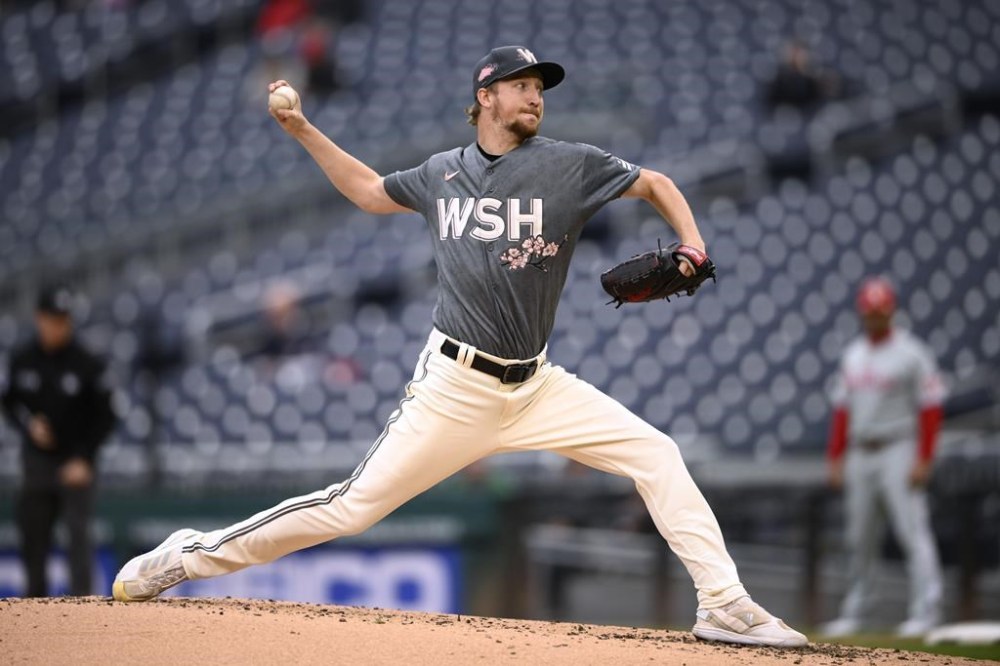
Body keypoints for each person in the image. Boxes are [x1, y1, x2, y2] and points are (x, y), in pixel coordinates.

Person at [112, 45, 807, 648]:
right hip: (455, 386)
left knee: (657, 454)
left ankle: (724, 606)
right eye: (524, 85)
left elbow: (655, 182)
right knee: (350, 507)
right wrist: (301, 128)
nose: (536, 96)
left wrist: (692, 242)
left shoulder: (569, 165)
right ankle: (189, 557)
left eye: (540, 88)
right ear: (486, 97)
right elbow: (367, 190)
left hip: (536, 386)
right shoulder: (443, 172)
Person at [822, 277, 946, 638]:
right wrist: (836, 457)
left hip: (898, 446)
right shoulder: (854, 354)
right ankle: (859, 610)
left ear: (890, 311)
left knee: (912, 530)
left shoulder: (912, 352)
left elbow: (931, 409)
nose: (875, 317)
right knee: (859, 535)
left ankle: (927, 610)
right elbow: (842, 411)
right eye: (870, 312)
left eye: (881, 311)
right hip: (861, 450)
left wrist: (924, 457)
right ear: (863, 313)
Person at [1, 284, 116, 596]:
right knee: (33, 540)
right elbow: (9, 403)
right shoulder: (23, 359)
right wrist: (28, 425)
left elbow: (106, 417)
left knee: (79, 538)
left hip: (74, 460)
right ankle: (35, 612)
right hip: (37, 462)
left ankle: (81, 613)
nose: (59, 325)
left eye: (64, 319)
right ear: (39, 318)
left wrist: (84, 458)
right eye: (53, 318)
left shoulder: (87, 363)